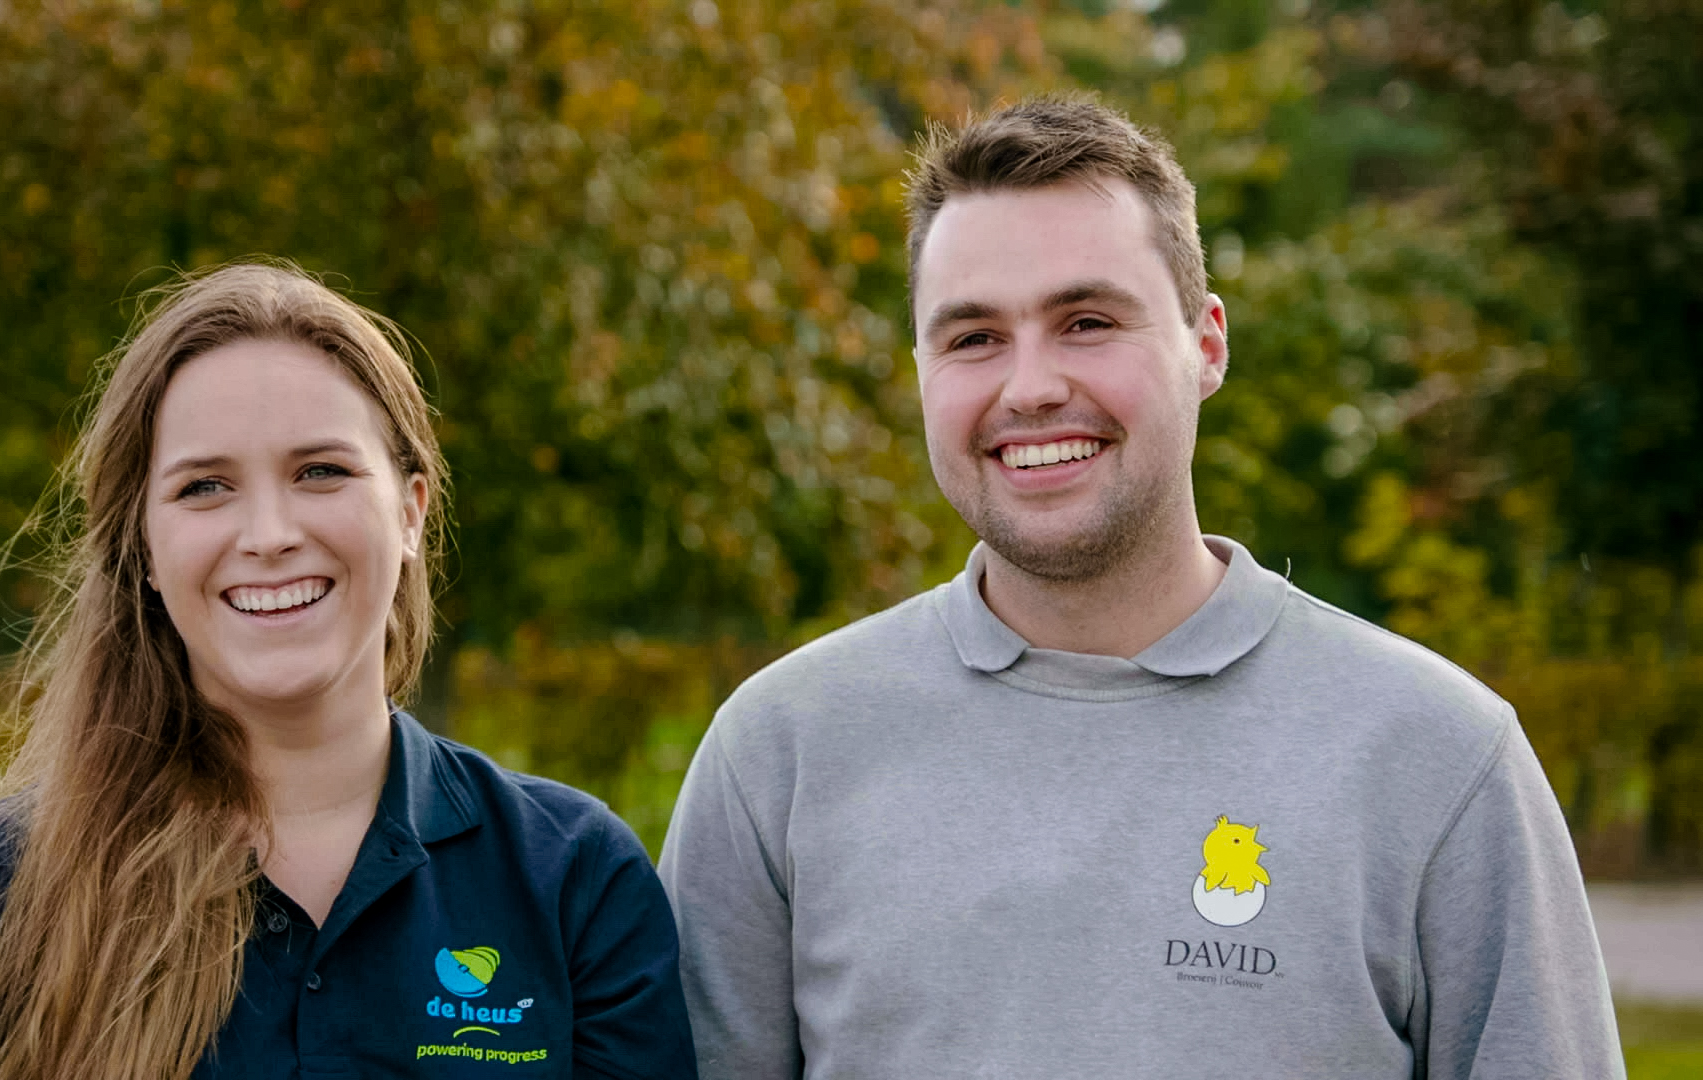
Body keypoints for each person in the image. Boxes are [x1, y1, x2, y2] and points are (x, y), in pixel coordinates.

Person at [658, 97, 1623, 1079]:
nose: (1030, 388)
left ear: (1207, 345)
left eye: (1086, 322)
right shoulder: (779, 754)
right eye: (974, 337)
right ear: (920, 372)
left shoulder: (1439, 757)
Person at [0, 262, 696, 1079]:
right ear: (143, 547)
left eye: (320, 472)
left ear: (410, 512)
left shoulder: (575, 882)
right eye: (205, 486)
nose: (268, 535)